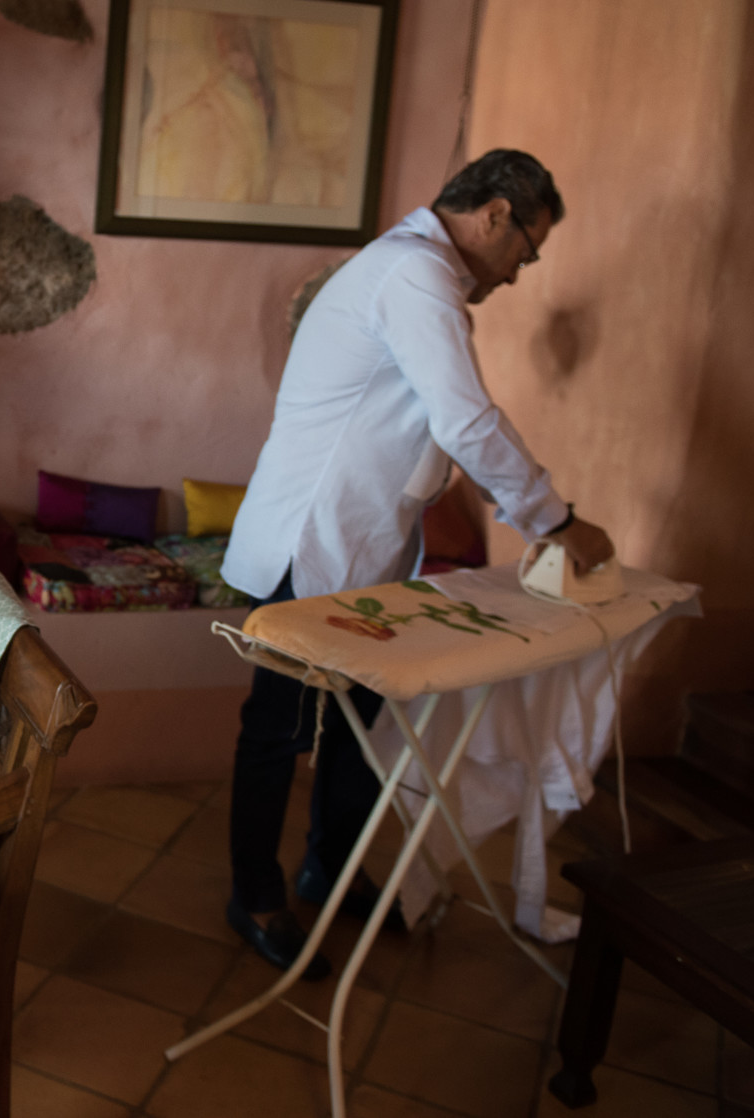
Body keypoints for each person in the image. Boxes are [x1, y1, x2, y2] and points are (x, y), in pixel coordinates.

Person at [217, 149, 614, 973]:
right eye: (525, 251)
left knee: (361, 727)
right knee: (280, 733)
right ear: (496, 212)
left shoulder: (418, 275)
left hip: (365, 550)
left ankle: (328, 866)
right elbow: (467, 423)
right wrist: (556, 519)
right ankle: (254, 892)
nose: (519, 275)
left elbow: (436, 429)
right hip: (311, 542)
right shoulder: (411, 274)